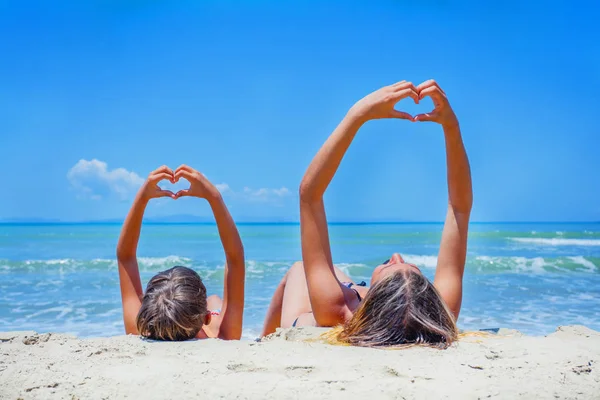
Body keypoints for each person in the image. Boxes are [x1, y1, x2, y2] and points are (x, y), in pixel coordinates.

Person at [261, 80, 472, 348]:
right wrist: (452, 128)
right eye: (415, 269)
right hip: (363, 296)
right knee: (334, 274)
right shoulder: (439, 313)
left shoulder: (336, 308)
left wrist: (358, 114)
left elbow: (309, 194)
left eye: (389, 265)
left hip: (303, 314)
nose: (396, 255)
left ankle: (263, 340)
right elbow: (460, 208)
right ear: (427, 299)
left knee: (298, 269)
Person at [117, 164, 245, 341]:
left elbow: (125, 256)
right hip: (211, 322)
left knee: (214, 300)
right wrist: (214, 197)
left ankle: (213, 304)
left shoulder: (138, 331)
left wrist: (142, 198)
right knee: (215, 300)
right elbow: (235, 258)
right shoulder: (223, 337)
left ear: (145, 314)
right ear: (206, 318)